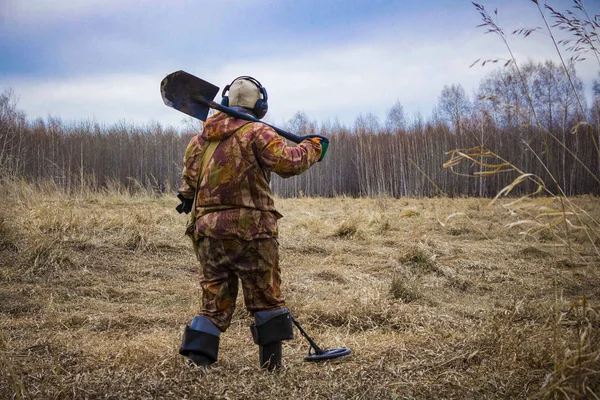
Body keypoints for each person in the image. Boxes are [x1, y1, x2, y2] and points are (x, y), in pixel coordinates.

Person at [176, 76, 323, 370]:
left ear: (228, 101)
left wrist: (188, 198)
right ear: (260, 105)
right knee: (266, 300)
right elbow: (290, 163)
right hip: (253, 232)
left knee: (214, 301)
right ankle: (271, 368)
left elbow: (187, 188)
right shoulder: (259, 132)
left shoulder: (200, 140)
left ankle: (198, 364)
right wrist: (314, 147)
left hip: (209, 233)